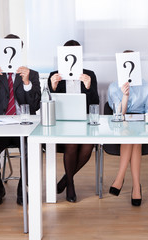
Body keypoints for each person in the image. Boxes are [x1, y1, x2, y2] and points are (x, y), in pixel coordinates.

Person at [0, 34, 41, 207]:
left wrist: (27, 82)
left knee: (32, 150)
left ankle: (23, 187)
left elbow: (35, 105)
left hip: (24, 127)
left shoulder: (32, 74)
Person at [49, 40, 99, 202]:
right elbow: (47, 104)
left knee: (88, 146)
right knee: (71, 144)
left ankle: (65, 179)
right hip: (62, 123)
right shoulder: (54, 75)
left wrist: (88, 86)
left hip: (83, 122)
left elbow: (95, 103)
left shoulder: (89, 74)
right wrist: (53, 88)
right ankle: (70, 185)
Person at [107, 50, 148, 206]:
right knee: (130, 135)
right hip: (121, 124)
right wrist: (125, 96)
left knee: (135, 136)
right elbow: (118, 114)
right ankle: (136, 186)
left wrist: (140, 123)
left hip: (142, 125)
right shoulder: (114, 87)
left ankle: (120, 178)